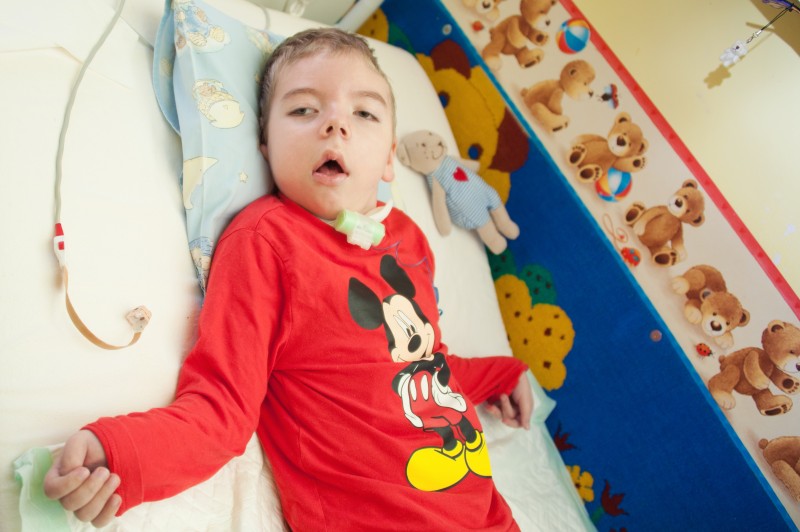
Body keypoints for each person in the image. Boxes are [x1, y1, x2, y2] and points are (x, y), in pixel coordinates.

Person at [44, 28, 533, 530]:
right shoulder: (266, 241)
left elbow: (425, 359)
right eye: (304, 110)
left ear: (389, 157)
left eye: (364, 114)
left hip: (490, 515)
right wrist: (121, 455)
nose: (336, 125)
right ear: (265, 145)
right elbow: (221, 409)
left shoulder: (409, 240)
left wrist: (500, 374)